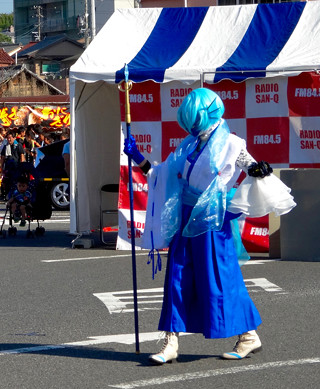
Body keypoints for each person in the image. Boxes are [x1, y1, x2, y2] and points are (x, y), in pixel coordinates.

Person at [123, 88, 296, 365]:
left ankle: (249, 335)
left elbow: (252, 167)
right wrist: (138, 158)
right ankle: (171, 342)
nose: (191, 126)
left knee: (220, 279)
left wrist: (258, 171)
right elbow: (162, 175)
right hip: (186, 217)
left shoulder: (232, 143)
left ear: (206, 114)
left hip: (214, 219)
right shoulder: (189, 145)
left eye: (194, 119)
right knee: (176, 278)